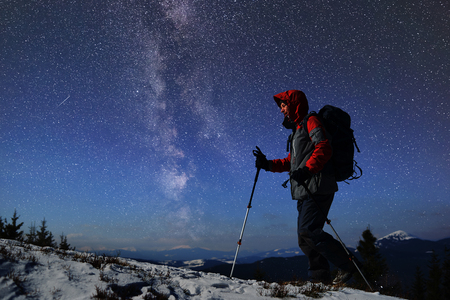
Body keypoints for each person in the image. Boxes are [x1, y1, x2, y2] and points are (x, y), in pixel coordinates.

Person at [255, 90, 357, 284]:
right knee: (305, 238)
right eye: (281, 107)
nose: (282, 110)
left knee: (309, 231)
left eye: (283, 105)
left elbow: (324, 147)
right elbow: (291, 162)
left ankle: (348, 265)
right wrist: (267, 164)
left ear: (294, 104)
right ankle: (319, 280)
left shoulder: (312, 121)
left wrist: (308, 170)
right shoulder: (297, 130)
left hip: (318, 185)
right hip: (304, 188)